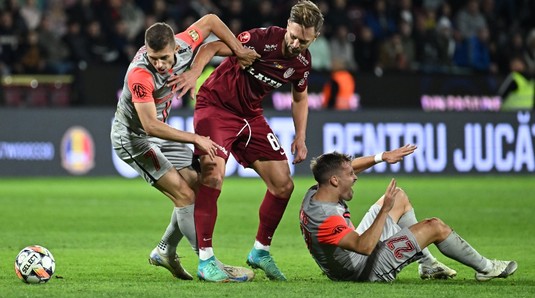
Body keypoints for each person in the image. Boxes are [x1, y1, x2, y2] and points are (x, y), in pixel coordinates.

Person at [169, 0, 324, 282]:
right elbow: (212, 46)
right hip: (215, 107)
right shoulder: (261, 40)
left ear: (314, 38)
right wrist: (194, 72)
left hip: (250, 117)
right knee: (213, 175)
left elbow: (300, 97)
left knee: (283, 185)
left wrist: (300, 136)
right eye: (293, 35)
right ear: (287, 26)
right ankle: (206, 260)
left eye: (304, 40)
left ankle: (260, 251)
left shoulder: (302, 62)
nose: (296, 43)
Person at [110, 14, 259, 281]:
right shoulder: (140, 75)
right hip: (134, 139)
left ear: (175, 48)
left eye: (164, 58)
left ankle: (164, 251)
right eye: (153, 57)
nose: (159, 64)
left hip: (161, 133)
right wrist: (195, 139)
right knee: (184, 196)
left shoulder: (185, 43)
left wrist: (236, 51)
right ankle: (209, 263)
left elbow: (212, 21)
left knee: (199, 183)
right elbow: (150, 127)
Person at [299, 146, 518, 282]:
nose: (355, 177)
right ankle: (487, 268)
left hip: (347, 257)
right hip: (361, 269)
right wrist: (383, 211)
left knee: (399, 197)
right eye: (350, 175)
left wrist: (381, 157)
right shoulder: (327, 219)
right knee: (434, 227)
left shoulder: (317, 192)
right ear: (335, 181)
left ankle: (428, 264)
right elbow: (364, 247)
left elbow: (344, 168)